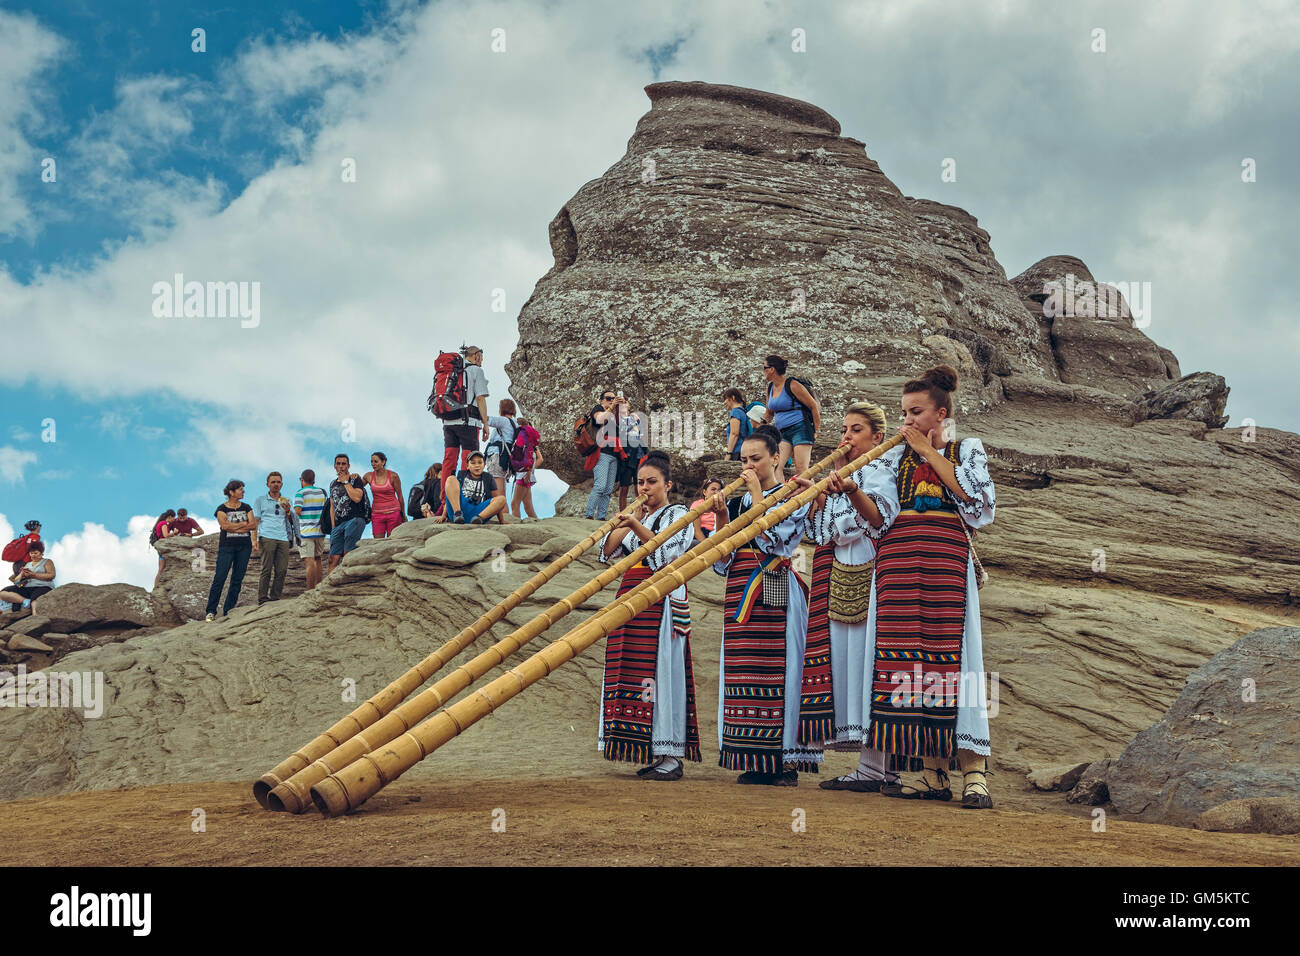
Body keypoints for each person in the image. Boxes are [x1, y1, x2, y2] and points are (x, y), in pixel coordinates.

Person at [857, 365, 997, 809]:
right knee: (907, 669)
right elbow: (878, 517)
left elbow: (977, 501)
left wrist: (929, 452)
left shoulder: (965, 449)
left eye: (916, 412)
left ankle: (974, 775)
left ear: (940, 414)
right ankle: (933, 772)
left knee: (957, 665)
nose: (907, 421)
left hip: (945, 572)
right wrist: (849, 489)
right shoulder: (890, 459)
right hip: (898, 573)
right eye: (903, 413)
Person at [708, 424, 822, 785]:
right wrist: (724, 516)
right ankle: (754, 757)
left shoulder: (792, 495)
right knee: (744, 670)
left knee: (780, 667)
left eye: (755, 459)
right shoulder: (741, 500)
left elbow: (775, 540)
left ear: (776, 458)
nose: (748, 466)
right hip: (740, 588)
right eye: (743, 460)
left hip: (774, 586)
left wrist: (757, 494)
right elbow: (721, 560)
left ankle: (784, 762)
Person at [798, 401, 899, 792]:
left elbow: (877, 518)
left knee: (869, 667)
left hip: (874, 577)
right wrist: (818, 499)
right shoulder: (842, 474)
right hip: (841, 575)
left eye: (855, 430)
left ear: (877, 437)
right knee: (849, 667)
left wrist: (849, 490)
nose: (845, 437)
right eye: (844, 429)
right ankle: (874, 767)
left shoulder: (881, 469)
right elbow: (824, 535)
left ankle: (878, 768)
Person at [596, 450, 701, 780]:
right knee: (632, 668)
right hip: (630, 595)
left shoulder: (679, 514)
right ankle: (651, 749)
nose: (645, 488)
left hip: (660, 596)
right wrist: (625, 520)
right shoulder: (637, 514)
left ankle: (670, 756)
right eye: (640, 482)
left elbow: (666, 551)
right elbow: (608, 551)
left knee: (661, 670)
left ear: (667, 484)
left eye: (652, 482)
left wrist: (637, 524)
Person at [439, 345, 490, 513]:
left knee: (449, 460)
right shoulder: (476, 371)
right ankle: (461, 498)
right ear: (475, 356)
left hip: (448, 421)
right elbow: (480, 398)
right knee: (468, 459)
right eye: (481, 357)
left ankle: (445, 499)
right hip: (469, 421)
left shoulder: (452, 371)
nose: (481, 361)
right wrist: (486, 424)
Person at [205, 480, 256, 621]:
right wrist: (242, 524)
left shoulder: (246, 507)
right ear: (231, 492)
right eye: (240, 489)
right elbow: (225, 526)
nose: (243, 491)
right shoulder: (221, 509)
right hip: (226, 547)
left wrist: (234, 525)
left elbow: (253, 525)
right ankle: (211, 611)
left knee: (237, 579)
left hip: (244, 547)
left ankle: (228, 610)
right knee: (220, 578)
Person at [763, 354, 821, 478]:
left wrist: (816, 430)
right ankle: (780, 496)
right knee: (776, 467)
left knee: (801, 469)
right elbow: (769, 413)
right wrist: (760, 426)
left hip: (800, 429)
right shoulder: (770, 388)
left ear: (772, 369)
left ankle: (811, 496)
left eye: (765, 368)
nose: (764, 371)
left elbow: (813, 406)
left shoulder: (792, 385)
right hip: (782, 433)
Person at [583, 388, 621, 520]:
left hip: (614, 455)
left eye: (613, 398)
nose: (611, 400)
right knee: (600, 486)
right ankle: (589, 515)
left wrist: (623, 408)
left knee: (608, 489)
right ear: (601, 400)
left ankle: (601, 516)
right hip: (602, 452)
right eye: (608, 398)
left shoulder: (614, 414)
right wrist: (611, 408)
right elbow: (599, 419)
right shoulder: (597, 408)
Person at [437, 452, 505, 524]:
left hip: (478, 512)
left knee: (502, 499)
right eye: (473, 463)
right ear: (467, 466)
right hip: (458, 510)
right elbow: (452, 496)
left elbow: (496, 499)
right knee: (451, 479)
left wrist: (501, 521)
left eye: (480, 462)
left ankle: (478, 519)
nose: (477, 465)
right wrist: (443, 515)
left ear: (484, 465)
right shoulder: (462, 475)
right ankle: (458, 514)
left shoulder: (489, 478)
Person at [328, 454, 369, 571]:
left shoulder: (355, 479)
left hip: (354, 519)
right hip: (338, 524)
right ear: (334, 466)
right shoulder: (332, 484)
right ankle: (328, 587)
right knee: (332, 558)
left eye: (344, 464)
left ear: (348, 465)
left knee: (348, 555)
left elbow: (357, 498)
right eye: (338, 463)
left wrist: (346, 482)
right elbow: (332, 505)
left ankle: (347, 586)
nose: (341, 466)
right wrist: (333, 527)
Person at [484, 399, 519, 524]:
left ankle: (505, 518)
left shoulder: (504, 421)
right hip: (506, 460)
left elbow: (486, 419)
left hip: (497, 457)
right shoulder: (516, 423)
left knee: (498, 493)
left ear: (501, 409)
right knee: (501, 490)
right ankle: (504, 516)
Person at [293, 469, 329, 590]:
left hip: (306, 532)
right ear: (313, 480)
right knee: (318, 559)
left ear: (302, 480)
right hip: (320, 531)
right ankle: (318, 588)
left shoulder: (300, 493)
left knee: (309, 562)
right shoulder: (321, 492)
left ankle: (309, 590)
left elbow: (297, 511)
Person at [1, 540, 56, 613]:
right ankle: (25, 601)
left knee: (35, 600)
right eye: (31, 553)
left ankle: (35, 618)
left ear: (41, 553)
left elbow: (52, 575)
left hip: (43, 587)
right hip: (27, 587)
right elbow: (17, 582)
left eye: (35, 553)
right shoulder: (28, 564)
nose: (33, 555)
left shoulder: (47, 561)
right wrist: (21, 574)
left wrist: (34, 575)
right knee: (3, 593)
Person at [615, 398, 647, 513]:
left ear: (629, 404)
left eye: (625, 403)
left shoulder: (635, 419)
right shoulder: (618, 419)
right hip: (626, 457)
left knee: (638, 486)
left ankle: (641, 510)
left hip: (637, 455)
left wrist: (645, 453)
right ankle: (622, 513)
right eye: (621, 404)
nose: (623, 405)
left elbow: (640, 436)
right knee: (624, 487)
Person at [363, 452, 405, 538]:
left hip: (394, 513)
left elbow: (400, 496)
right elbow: (357, 488)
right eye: (371, 462)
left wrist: (403, 515)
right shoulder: (368, 476)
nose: (373, 464)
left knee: (392, 542)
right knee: (378, 544)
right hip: (377, 514)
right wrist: (352, 477)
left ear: (383, 462)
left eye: (376, 461)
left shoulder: (393, 476)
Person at [509, 418, 543, 522]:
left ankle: (516, 527)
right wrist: (531, 471)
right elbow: (540, 459)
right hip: (527, 474)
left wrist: (528, 472)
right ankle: (539, 527)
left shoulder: (523, 439)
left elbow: (530, 458)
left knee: (515, 503)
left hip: (523, 475)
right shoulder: (531, 442)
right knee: (528, 506)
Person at [721, 388, 752, 460]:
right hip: (743, 450)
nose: (725, 402)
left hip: (736, 452)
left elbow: (734, 434)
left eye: (726, 399)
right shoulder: (742, 411)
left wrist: (729, 453)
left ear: (733, 398)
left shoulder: (735, 412)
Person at [691, 478, 724, 543]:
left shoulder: (724, 506)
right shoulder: (697, 505)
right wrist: (707, 546)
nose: (717, 492)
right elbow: (697, 531)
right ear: (704, 492)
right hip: (703, 536)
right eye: (713, 489)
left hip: (718, 536)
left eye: (719, 490)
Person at [151, 509, 176, 587]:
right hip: (163, 547)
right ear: (170, 517)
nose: (174, 519)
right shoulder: (164, 523)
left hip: (160, 548)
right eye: (173, 518)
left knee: (161, 568)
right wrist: (174, 533)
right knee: (163, 568)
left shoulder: (160, 523)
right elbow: (165, 535)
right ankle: (159, 585)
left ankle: (156, 586)